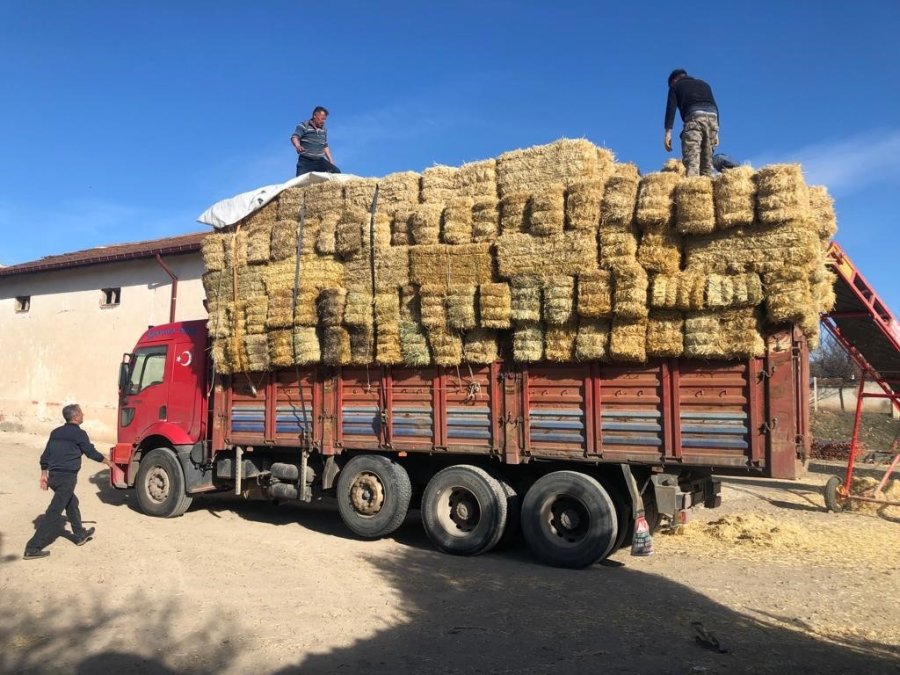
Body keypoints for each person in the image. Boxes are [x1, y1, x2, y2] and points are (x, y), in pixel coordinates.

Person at [23, 404, 113, 560]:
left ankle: (79, 535)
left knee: (72, 502)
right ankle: (32, 548)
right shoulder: (79, 433)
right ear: (76, 416)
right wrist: (108, 462)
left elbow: (45, 456)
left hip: (54, 477)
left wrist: (44, 474)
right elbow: (90, 452)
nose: (83, 414)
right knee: (54, 512)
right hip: (66, 478)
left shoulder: (56, 432)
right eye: (82, 412)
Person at [664, 69, 719, 177]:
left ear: (674, 80)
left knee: (692, 159)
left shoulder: (675, 86)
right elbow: (715, 106)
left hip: (695, 118)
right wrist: (717, 132)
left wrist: (668, 132)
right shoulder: (704, 84)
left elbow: (671, 109)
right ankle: (705, 189)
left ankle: (693, 191)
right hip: (713, 119)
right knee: (707, 161)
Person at [291, 106, 341, 177]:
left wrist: (331, 160)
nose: (323, 121)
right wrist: (297, 146)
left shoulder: (324, 130)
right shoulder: (304, 125)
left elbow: (325, 145)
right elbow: (294, 137)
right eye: (322, 119)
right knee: (300, 183)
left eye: (325, 119)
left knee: (336, 172)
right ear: (315, 116)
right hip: (306, 160)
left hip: (320, 161)